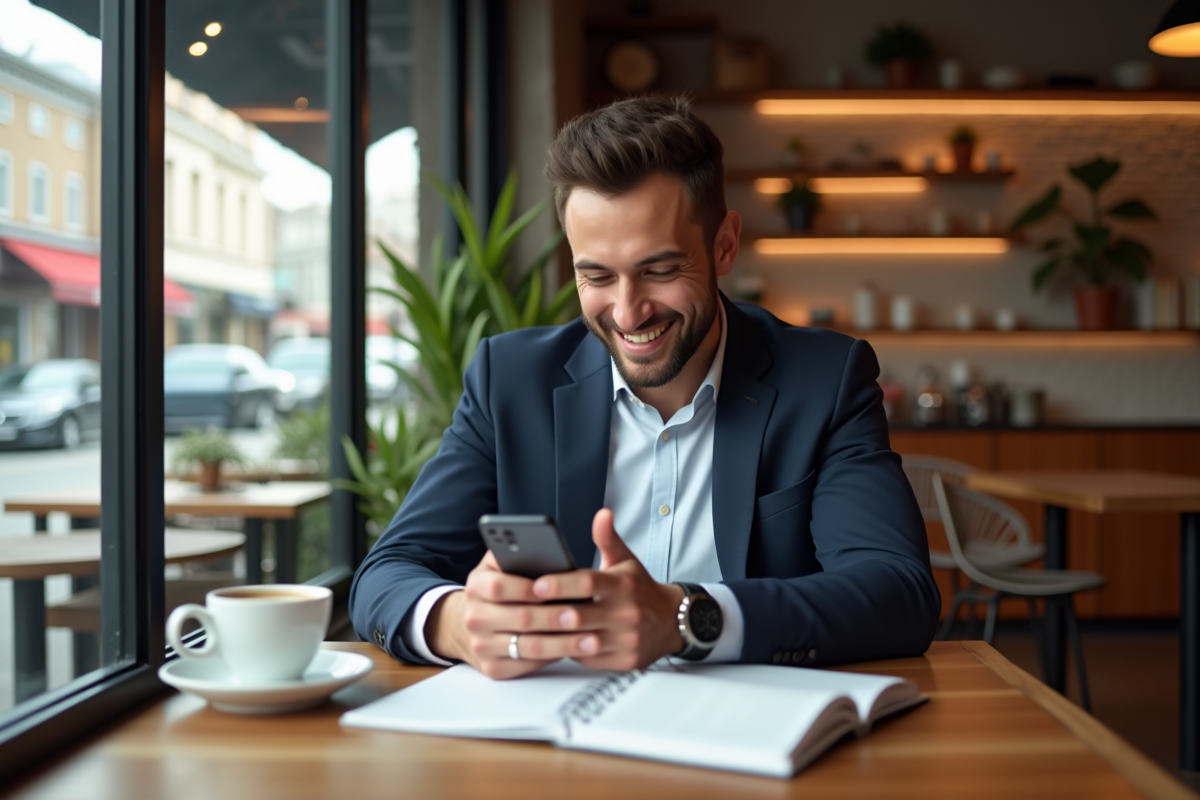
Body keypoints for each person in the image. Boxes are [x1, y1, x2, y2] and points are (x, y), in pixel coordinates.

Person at [349, 95, 939, 679]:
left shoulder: (825, 380)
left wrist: (686, 616)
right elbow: (388, 572)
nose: (628, 313)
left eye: (660, 270)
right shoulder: (509, 381)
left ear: (725, 245)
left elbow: (898, 592)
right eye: (597, 276)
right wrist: (458, 621)